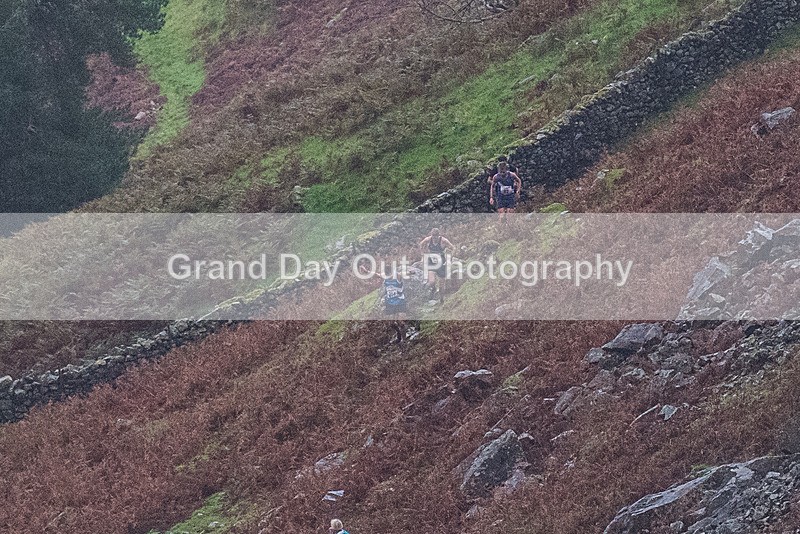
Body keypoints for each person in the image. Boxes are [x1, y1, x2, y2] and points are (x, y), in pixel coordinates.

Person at [419, 228, 454, 302]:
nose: (434, 238)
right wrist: (423, 254)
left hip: (441, 262)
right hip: (431, 261)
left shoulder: (443, 241)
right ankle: (433, 288)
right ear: (431, 235)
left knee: (441, 283)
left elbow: (452, 248)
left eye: (436, 237)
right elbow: (421, 244)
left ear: (438, 235)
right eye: (433, 236)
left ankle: (441, 298)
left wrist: (449, 258)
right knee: (431, 281)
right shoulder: (428, 240)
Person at [380, 272, 407, 344]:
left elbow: (401, 274)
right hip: (390, 303)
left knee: (400, 322)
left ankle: (404, 340)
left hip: (400, 302)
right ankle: (399, 336)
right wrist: (366, 271)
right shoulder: (386, 280)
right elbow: (376, 274)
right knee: (391, 323)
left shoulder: (397, 278)